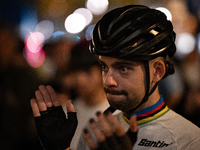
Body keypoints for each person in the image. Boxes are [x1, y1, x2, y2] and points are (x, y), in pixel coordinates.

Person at [30, 5, 200, 150]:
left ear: (157, 71)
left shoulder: (189, 140)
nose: (107, 80)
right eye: (104, 67)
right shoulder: (99, 130)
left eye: (124, 68)